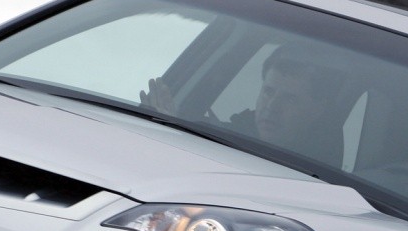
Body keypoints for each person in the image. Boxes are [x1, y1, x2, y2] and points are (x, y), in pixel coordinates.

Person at [141, 44, 345, 166]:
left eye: (289, 99)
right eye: (268, 92)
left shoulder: (319, 178)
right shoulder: (223, 135)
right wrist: (174, 128)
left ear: (317, 109)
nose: (271, 107)